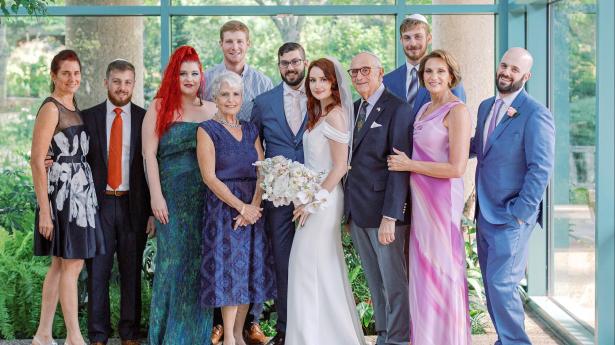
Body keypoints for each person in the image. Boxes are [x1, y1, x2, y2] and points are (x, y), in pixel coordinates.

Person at [470, 47, 555, 345]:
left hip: (512, 215)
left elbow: (540, 167)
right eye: (504, 65)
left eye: (514, 69)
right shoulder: (485, 107)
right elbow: (481, 147)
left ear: (526, 76)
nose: (506, 72)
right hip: (484, 211)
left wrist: (521, 211)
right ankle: (504, 340)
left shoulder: (536, 114)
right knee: (492, 285)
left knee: (501, 283)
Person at [387, 50, 472, 345]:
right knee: (422, 272)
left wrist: (409, 164)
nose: (433, 77)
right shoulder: (422, 109)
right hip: (420, 202)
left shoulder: (457, 110)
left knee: (443, 270)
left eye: (440, 71)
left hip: (442, 201)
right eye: (428, 72)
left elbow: (456, 167)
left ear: (451, 76)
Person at [285, 57, 366, 345]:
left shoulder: (335, 115)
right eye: (313, 79)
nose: (317, 84)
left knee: (307, 264)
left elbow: (339, 167)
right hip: (312, 196)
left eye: (323, 79)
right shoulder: (318, 113)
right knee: (312, 266)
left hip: (326, 200)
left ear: (334, 82)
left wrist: (312, 201)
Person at [142, 45, 217, 344]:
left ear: (202, 76)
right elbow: (149, 155)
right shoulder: (160, 107)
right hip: (170, 201)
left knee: (200, 267)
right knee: (172, 267)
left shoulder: (212, 109)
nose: (189, 78)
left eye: (194, 73)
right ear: (174, 76)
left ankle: (196, 337)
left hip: (205, 199)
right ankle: (167, 337)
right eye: (183, 73)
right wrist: (155, 197)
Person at [30, 49, 105, 345]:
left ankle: (43, 334)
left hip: (80, 195)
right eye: (65, 73)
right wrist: (45, 212)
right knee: (72, 264)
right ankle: (74, 337)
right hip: (62, 198)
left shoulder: (72, 104)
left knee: (61, 265)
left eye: (76, 73)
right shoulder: (51, 108)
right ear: (53, 75)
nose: (72, 79)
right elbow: (37, 160)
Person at [197, 71, 276, 345]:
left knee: (250, 270)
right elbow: (209, 177)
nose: (231, 99)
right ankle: (229, 336)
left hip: (254, 209)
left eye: (236, 94)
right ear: (215, 98)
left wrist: (254, 206)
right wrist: (241, 207)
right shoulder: (207, 130)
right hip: (224, 209)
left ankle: (241, 334)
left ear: (243, 98)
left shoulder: (251, 128)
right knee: (229, 271)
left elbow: (263, 170)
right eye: (225, 94)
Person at [81, 59, 154, 345]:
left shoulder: (145, 118)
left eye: (127, 82)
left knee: (130, 273)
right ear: (106, 83)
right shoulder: (87, 117)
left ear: (133, 84)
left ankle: (129, 334)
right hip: (97, 206)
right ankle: (98, 335)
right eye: (117, 81)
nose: (122, 88)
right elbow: (75, 158)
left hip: (132, 206)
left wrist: (150, 212)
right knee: (97, 273)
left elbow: (151, 167)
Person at [344, 52, 412, 345]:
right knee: (375, 282)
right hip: (357, 213)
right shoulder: (354, 109)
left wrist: (391, 217)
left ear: (380, 72)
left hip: (384, 214)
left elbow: (399, 169)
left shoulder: (398, 109)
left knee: (394, 283)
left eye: (365, 70)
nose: (359, 76)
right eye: (354, 71)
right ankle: (383, 336)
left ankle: (396, 340)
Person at [250, 42, 308, 345]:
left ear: (305, 62)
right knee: (283, 263)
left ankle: (312, 326)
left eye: (296, 61)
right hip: (278, 200)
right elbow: (254, 148)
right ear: (278, 67)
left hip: (315, 196)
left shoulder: (320, 96)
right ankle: (285, 330)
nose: (291, 67)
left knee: (314, 261)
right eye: (285, 63)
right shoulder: (263, 102)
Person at [383, 14, 466, 116]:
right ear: (401, 40)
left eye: (418, 37)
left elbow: (458, 116)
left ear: (429, 38)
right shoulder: (386, 81)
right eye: (407, 38)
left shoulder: (447, 78)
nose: (412, 43)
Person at [204, 20, 274, 122]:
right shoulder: (206, 80)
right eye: (229, 42)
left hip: (254, 138)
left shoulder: (263, 83)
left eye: (239, 41)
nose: (235, 47)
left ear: (248, 44)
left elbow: (270, 121)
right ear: (221, 44)